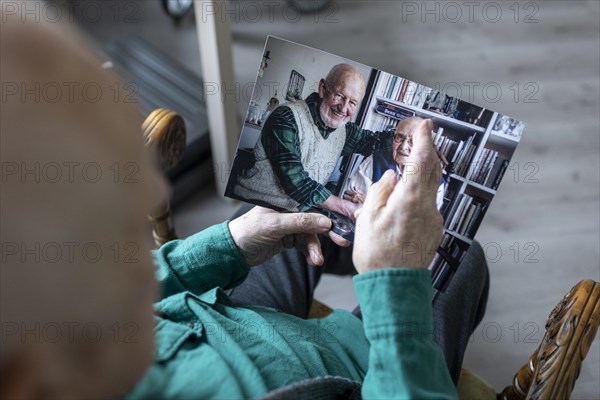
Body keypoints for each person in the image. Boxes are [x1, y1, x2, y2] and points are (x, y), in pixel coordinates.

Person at [1, 13, 489, 400]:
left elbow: (360, 136)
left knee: (255, 224)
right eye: (118, 231)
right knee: (460, 255)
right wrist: (394, 284)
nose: (154, 198)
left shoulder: (60, 331)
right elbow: (296, 179)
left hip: (222, 321)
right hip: (351, 370)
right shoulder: (288, 118)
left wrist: (225, 245)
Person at [229, 63, 394, 221]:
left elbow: (378, 143)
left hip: (290, 214)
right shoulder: (286, 117)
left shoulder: (345, 131)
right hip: (249, 207)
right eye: (339, 96)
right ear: (323, 88)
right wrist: (344, 206)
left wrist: (410, 132)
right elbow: (296, 181)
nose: (343, 109)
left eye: (352, 102)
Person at [344, 116, 447, 210]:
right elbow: (352, 204)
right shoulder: (376, 160)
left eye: (413, 141)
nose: (403, 146)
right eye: (399, 137)